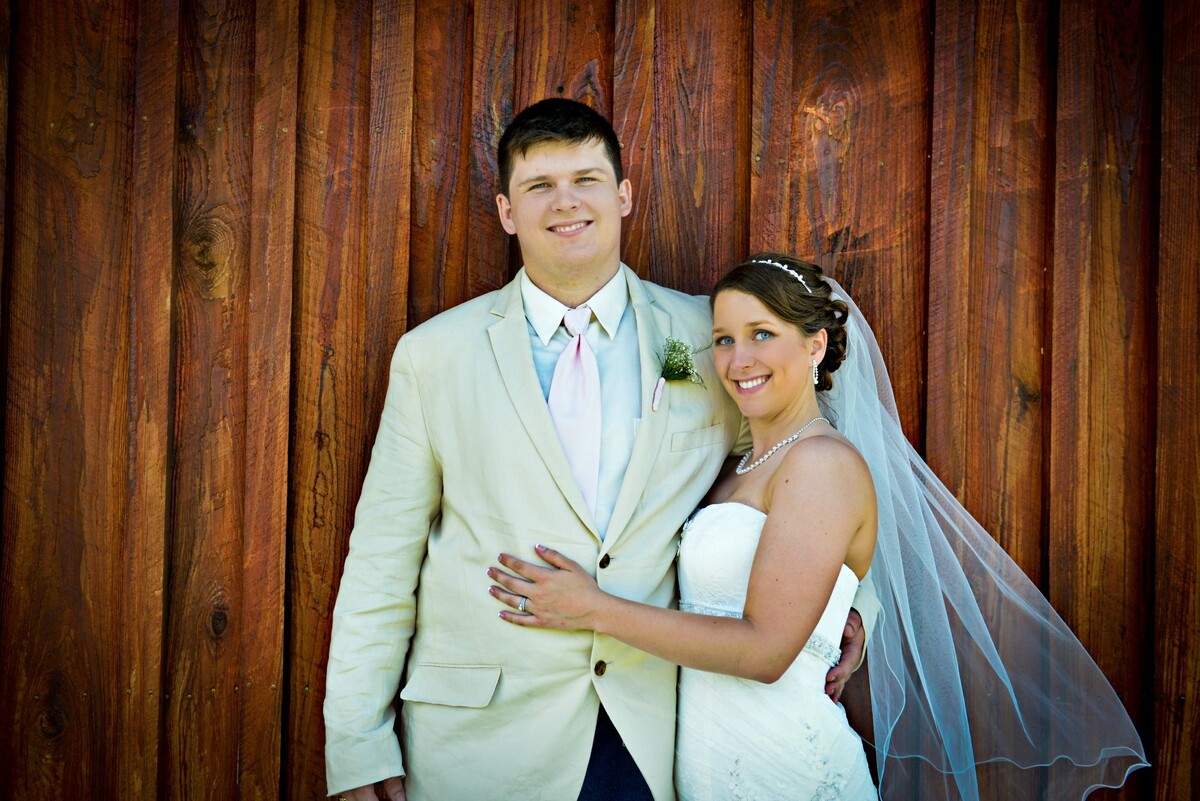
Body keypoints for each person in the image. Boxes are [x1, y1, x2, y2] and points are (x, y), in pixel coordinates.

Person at [323, 101, 873, 801]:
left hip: (653, 734)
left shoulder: (700, 343)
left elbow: (792, 471)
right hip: (483, 743)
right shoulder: (436, 357)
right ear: (506, 211)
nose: (566, 202)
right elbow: (381, 561)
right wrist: (357, 743)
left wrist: (849, 607)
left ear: (623, 195)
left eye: (586, 179)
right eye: (539, 186)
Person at [489, 254, 1150, 800]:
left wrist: (594, 609)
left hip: (785, 769)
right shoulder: (736, 468)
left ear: (815, 345)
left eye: (762, 334)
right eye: (724, 338)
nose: (738, 358)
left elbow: (764, 651)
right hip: (705, 768)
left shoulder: (823, 464)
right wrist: (855, 611)